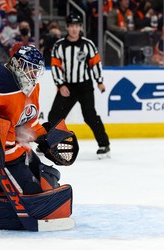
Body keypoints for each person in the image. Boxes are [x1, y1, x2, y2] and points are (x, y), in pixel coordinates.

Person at [0, 45, 77, 196]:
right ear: (17, 64)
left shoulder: (32, 87)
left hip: (16, 151)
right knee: (31, 192)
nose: (33, 75)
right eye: (30, 68)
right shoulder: (0, 80)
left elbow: (28, 121)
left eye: (36, 71)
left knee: (47, 178)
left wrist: (43, 138)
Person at [46, 13, 110, 157]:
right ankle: (49, 144)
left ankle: (104, 144)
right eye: (71, 26)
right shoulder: (59, 46)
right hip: (67, 86)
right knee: (55, 115)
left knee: (90, 116)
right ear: (67, 27)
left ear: (80, 27)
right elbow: (55, 66)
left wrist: (99, 81)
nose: (74, 29)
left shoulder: (88, 44)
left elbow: (95, 64)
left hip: (85, 86)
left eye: (77, 26)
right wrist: (60, 84)